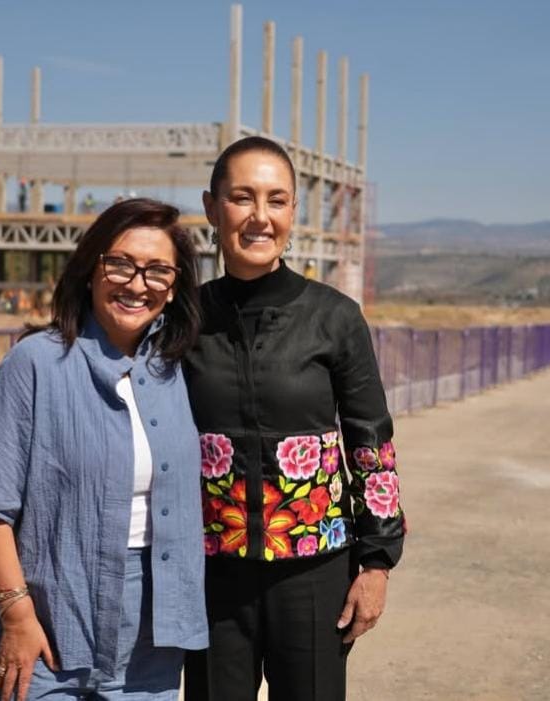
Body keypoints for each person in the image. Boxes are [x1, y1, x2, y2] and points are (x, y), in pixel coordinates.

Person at [0, 198, 208, 701]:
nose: (137, 284)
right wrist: (17, 615)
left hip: (153, 634)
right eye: (120, 264)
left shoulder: (180, 370)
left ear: (175, 286)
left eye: (158, 271)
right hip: (51, 625)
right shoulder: (35, 364)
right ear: (90, 269)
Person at [183, 136, 405, 701]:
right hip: (213, 577)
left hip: (314, 575)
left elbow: (371, 446)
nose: (260, 217)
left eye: (276, 200)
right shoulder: (183, 319)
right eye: (242, 198)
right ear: (212, 208)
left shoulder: (335, 318)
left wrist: (376, 564)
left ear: (292, 213)